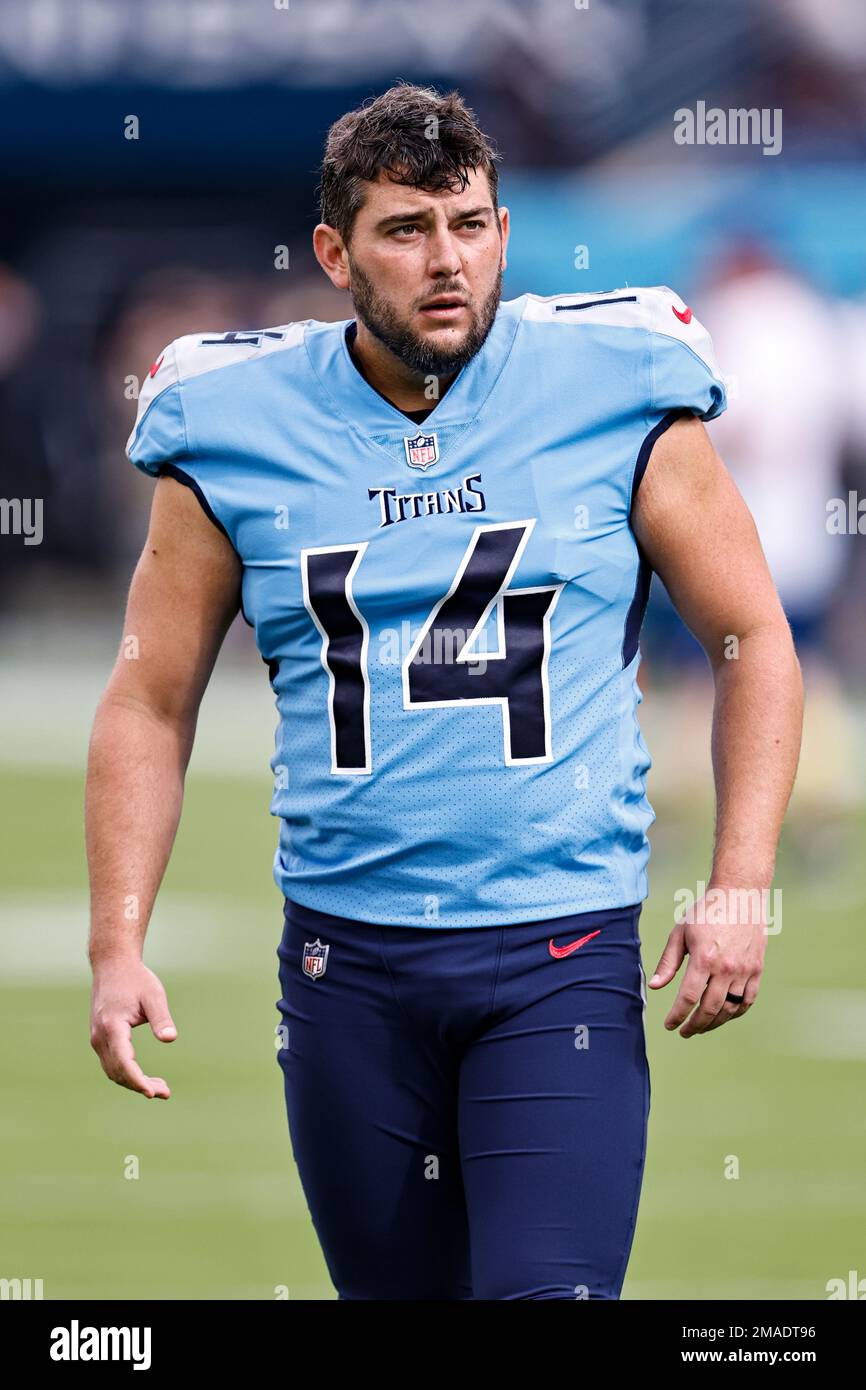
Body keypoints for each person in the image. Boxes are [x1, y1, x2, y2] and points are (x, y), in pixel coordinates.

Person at [86, 82, 803, 1301]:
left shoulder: (615, 380)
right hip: (345, 969)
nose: (445, 260)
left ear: (504, 232)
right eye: (405, 229)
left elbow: (750, 637)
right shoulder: (234, 418)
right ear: (333, 252)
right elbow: (150, 698)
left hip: (554, 951)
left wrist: (737, 885)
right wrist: (116, 939)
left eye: (467, 225)